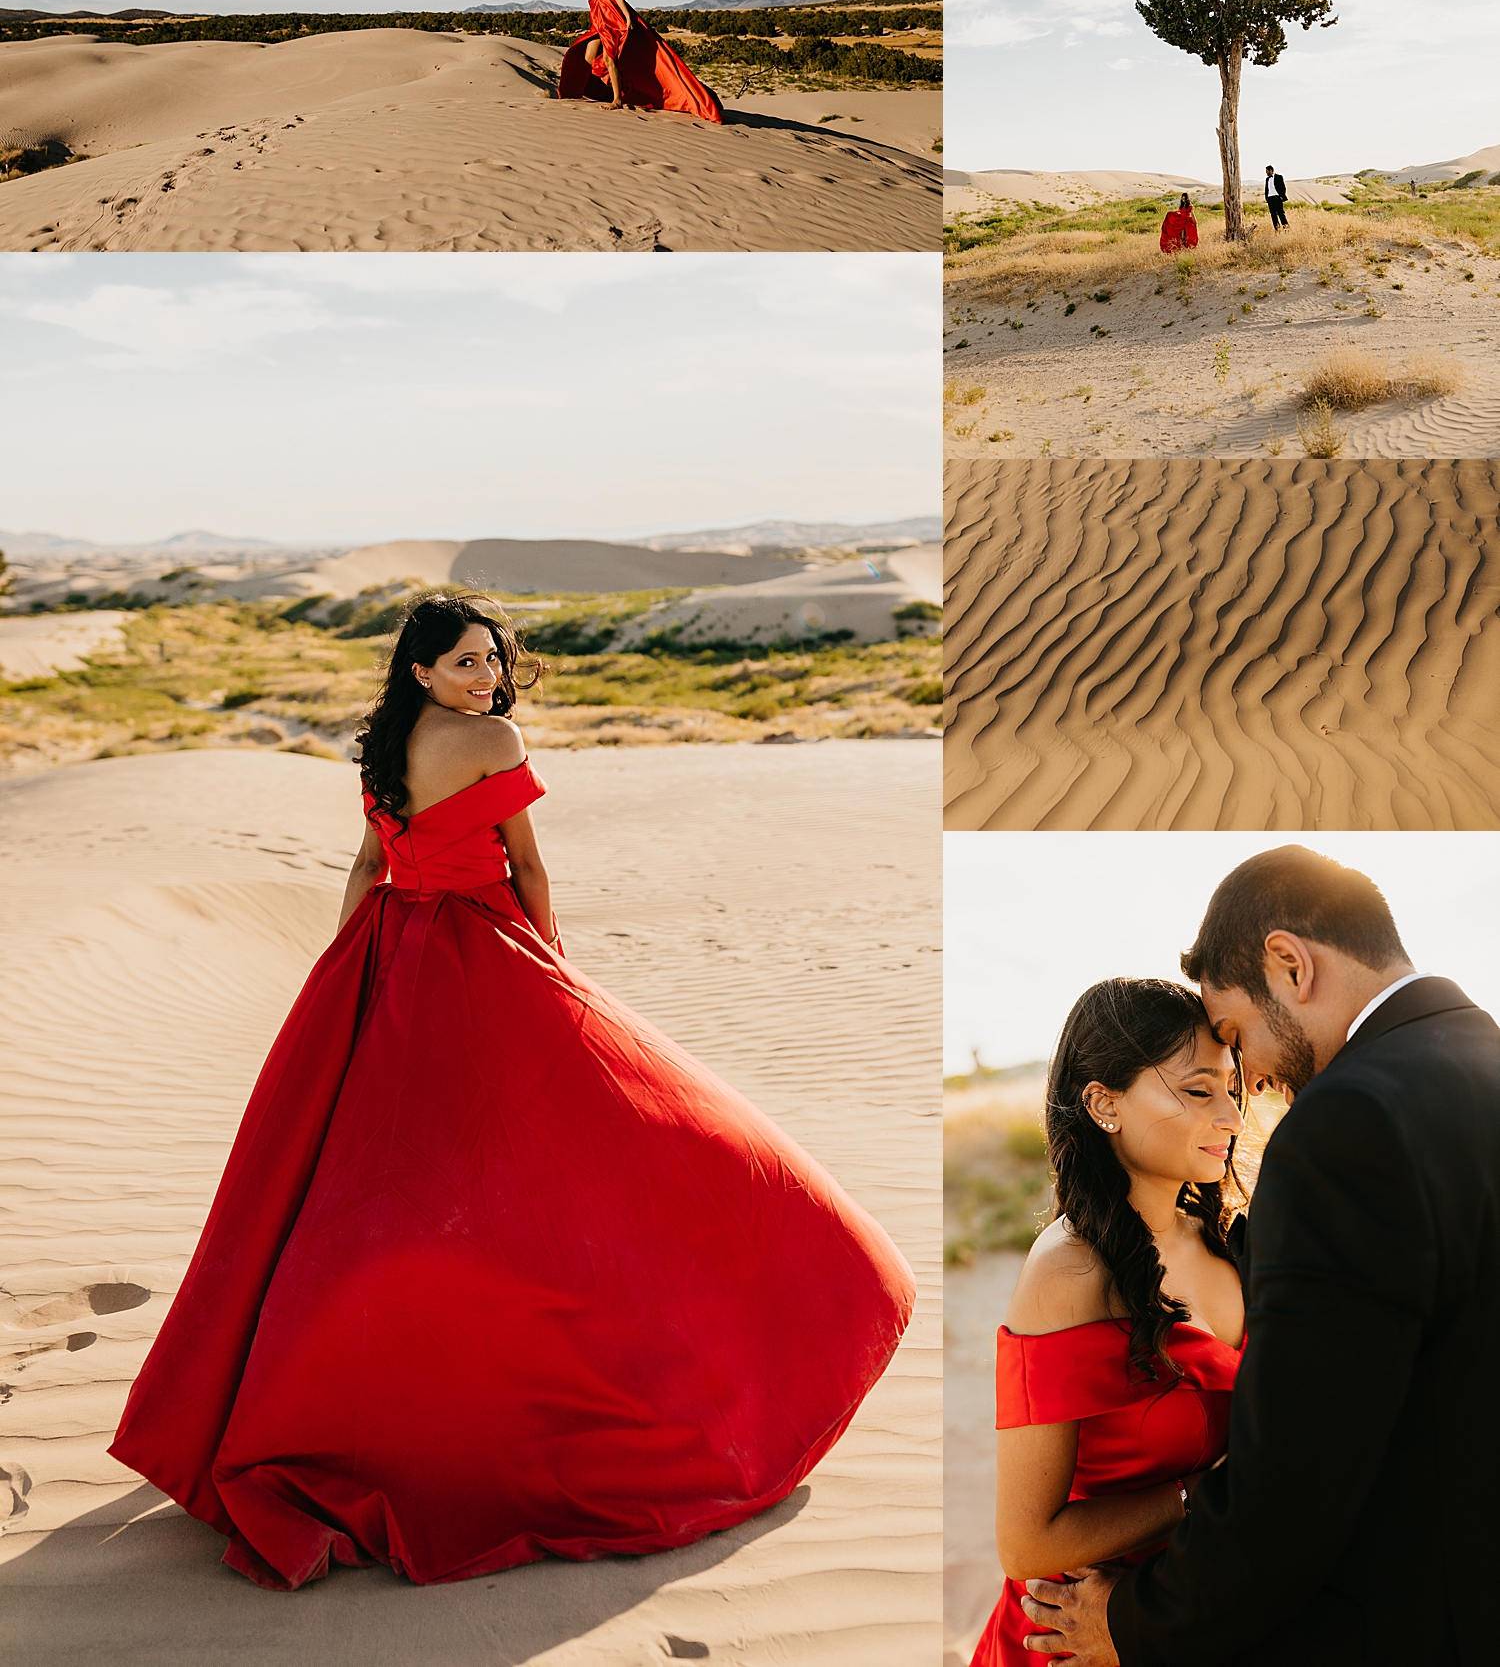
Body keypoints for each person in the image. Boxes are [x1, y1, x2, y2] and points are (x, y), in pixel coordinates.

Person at [110, 592, 913, 1591]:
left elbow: (369, 865)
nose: (486, 676)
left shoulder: (383, 744)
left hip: (386, 951)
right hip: (483, 952)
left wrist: (341, 974)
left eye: (492, 659)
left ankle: (294, 1397)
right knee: (568, 1146)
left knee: (350, 1181)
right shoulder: (494, 739)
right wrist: (552, 966)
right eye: (463, 661)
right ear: (420, 671)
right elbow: (528, 864)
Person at [1018, 845, 1500, 1666]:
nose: (1253, 1083)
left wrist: (1136, 1622)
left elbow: (1300, 1481)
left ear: (1289, 964)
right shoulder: (1480, 1056)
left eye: (1236, 1037)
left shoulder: (1346, 1122)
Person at [969, 977, 1245, 1666]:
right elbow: (1026, 1544)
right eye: (1198, 1089)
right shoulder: (1068, 1272)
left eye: (1233, 1089)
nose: (1233, 1118)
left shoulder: (1232, 1238)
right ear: (1103, 1103)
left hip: (1193, 1610)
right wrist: (1200, 1496)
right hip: (1078, 1632)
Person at [557, 0, 724, 122]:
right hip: (597, 13)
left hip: (611, 12)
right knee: (588, 54)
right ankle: (579, 91)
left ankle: (617, 99)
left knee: (610, 58)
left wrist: (627, 16)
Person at [1263, 165, 1288, 230]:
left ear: (1271, 171)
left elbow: (1283, 187)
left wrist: (1282, 196)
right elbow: (1266, 189)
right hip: (1270, 199)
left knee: (1281, 213)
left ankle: (1286, 228)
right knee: (1273, 215)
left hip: (1277, 197)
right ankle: (1277, 229)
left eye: (1267, 171)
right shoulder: (1267, 179)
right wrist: (1267, 198)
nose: (1266, 173)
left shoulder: (1279, 177)